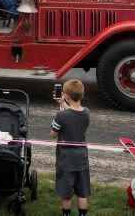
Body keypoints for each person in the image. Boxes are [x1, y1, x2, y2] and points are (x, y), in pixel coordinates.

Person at [50, 78, 91, 216]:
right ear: (82, 94)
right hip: (82, 158)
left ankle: (66, 214)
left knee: (66, 193)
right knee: (82, 191)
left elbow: (53, 134)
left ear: (66, 95)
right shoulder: (87, 112)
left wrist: (61, 108)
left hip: (65, 160)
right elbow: (74, 114)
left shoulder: (61, 116)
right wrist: (63, 103)